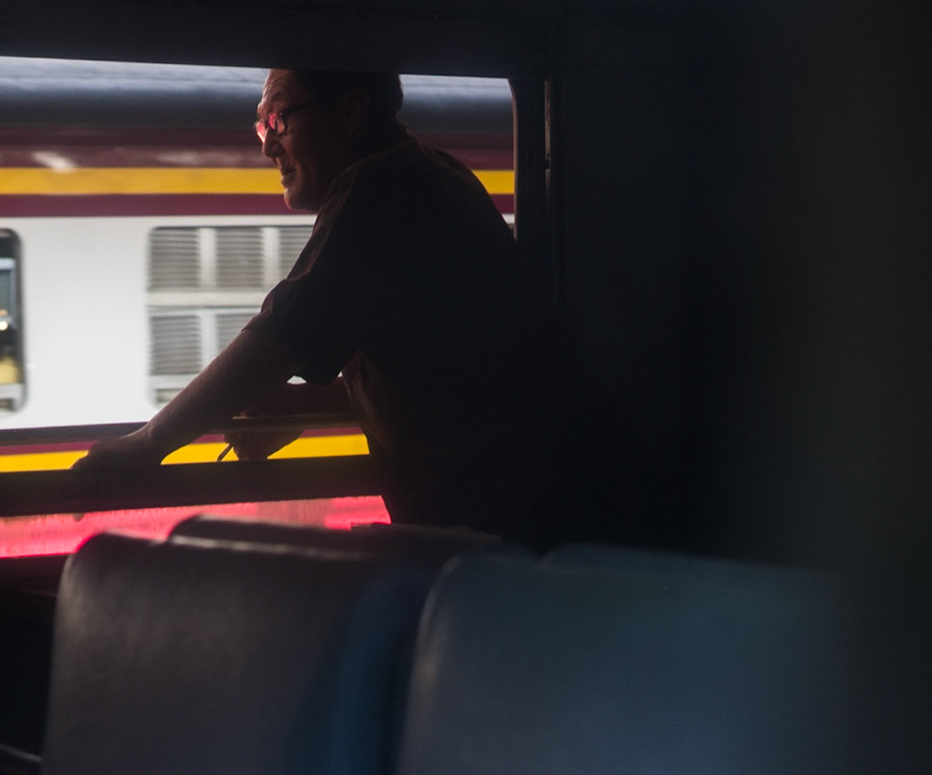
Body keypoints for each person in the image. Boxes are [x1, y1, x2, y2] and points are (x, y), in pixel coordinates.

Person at [76, 67, 587, 541]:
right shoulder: (436, 174)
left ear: (349, 111)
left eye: (278, 119)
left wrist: (146, 447)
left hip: (518, 533)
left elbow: (284, 332)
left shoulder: (383, 186)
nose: (267, 146)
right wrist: (305, 405)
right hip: (524, 522)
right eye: (261, 126)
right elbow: (448, 370)